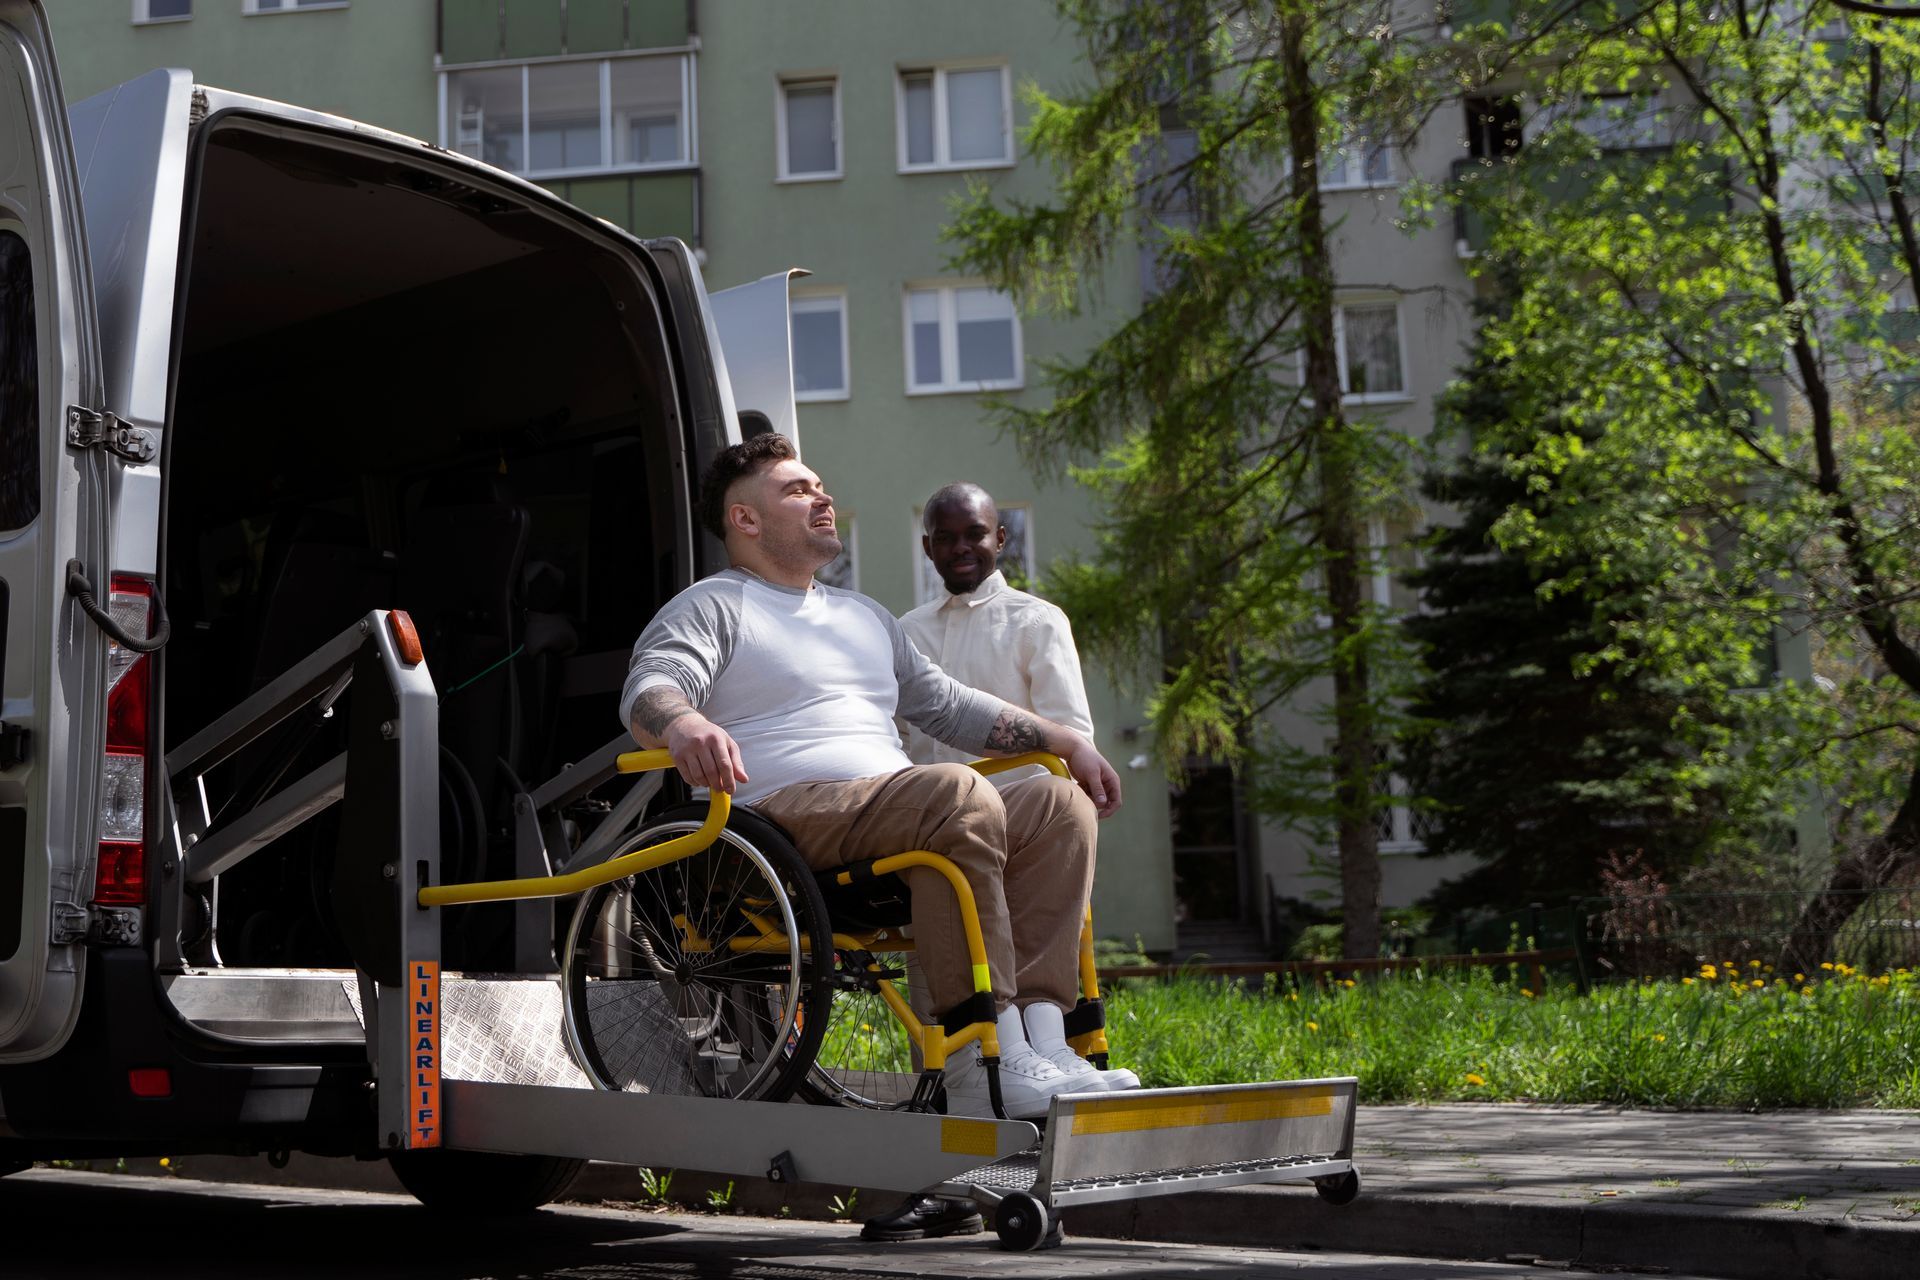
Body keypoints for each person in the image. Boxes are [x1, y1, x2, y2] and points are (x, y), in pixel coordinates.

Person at [619, 434, 1124, 1138]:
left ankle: (1042, 1040)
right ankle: (981, 1058)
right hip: (783, 819)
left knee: (1055, 799)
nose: (821, 496)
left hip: (895, 805)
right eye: (797, 490)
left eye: (820, 485)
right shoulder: (714, 606)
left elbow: (949, 706)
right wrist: (681, 728)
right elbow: (651, 686)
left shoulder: (863, 616)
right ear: (746, 521)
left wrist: (1066, 741)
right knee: (955, 792)